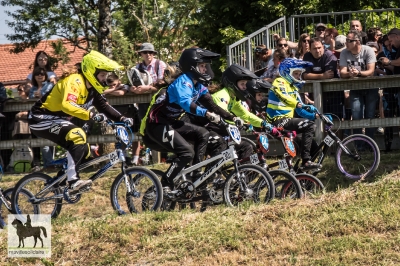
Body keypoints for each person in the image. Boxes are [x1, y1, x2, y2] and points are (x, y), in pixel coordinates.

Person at [28, 50, 133, 193]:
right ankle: (73, 182)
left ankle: (59, 182)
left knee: (86, 150)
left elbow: (104, 107)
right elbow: (67, 105)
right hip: (40, 118)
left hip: (58, 120)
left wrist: (122, 119)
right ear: (91, 72)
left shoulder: (93, 89)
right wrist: (89, 114)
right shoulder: (75, 81)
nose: (104, 79)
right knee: (77, 135)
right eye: (102, 75)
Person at [144, 48, 237, 192]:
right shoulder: (183, 82)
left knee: (203, 133)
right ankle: (165, 183)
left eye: (206, 66)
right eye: (202, 66)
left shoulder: (198, 85)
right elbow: (187, 104)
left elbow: (212, 105)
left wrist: (232, 117)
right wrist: (205, 113)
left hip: (171, 123)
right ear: (192, 66)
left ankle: (196, 174)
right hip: (157, 124)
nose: (205, 69)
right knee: (187, 153)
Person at [207, 64, 274, 159]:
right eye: (242, 84)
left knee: (246, 147)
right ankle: (214, 173)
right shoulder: (222, 95)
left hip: (221, 132)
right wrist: (241, 123)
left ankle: (243, 172)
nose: (245, 87)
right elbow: (223, 115)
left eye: (245, 84)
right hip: (209, 130)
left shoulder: (233, 98)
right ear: (231, 83)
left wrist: (264, 123)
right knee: (221, 145)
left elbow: (246, 115)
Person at [266, 58, 321, 170]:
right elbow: (284, 97)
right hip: (277, 120)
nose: (298, 76)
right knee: (309, 125)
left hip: (287, 121)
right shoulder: (279, 81)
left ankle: (301, 174)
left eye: (299, 74)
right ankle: (306, 161)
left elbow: (300, 110)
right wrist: (299, 104)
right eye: (295, 73)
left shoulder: (293, 87)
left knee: (315, 148)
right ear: (286, 72)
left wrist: (316, 115)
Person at [129, 42, 167, 165]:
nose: (148, 54)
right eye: (145, 52)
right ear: (141, 54)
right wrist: (133, 89)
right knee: (145, 127)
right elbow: (132, 82)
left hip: (159, 101)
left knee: (160, 126)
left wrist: (147, 88)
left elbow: (163, 82)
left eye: (150, 52)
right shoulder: (137, 68)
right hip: (143, 103)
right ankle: (150, 156)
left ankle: (162, 156)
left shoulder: (159, 64)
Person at [339, 30, 377, 140]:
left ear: (357, 42)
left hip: (371, 87)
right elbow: (342, 72)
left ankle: (370, 144)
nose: (346, 42)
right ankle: (359, 145)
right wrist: (349, 74)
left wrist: (359, 73)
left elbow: (371, 71)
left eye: (349, 40)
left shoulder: (368, 50)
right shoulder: (344, 53)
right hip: (354, 88)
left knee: (370, 116)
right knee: (356, 116)